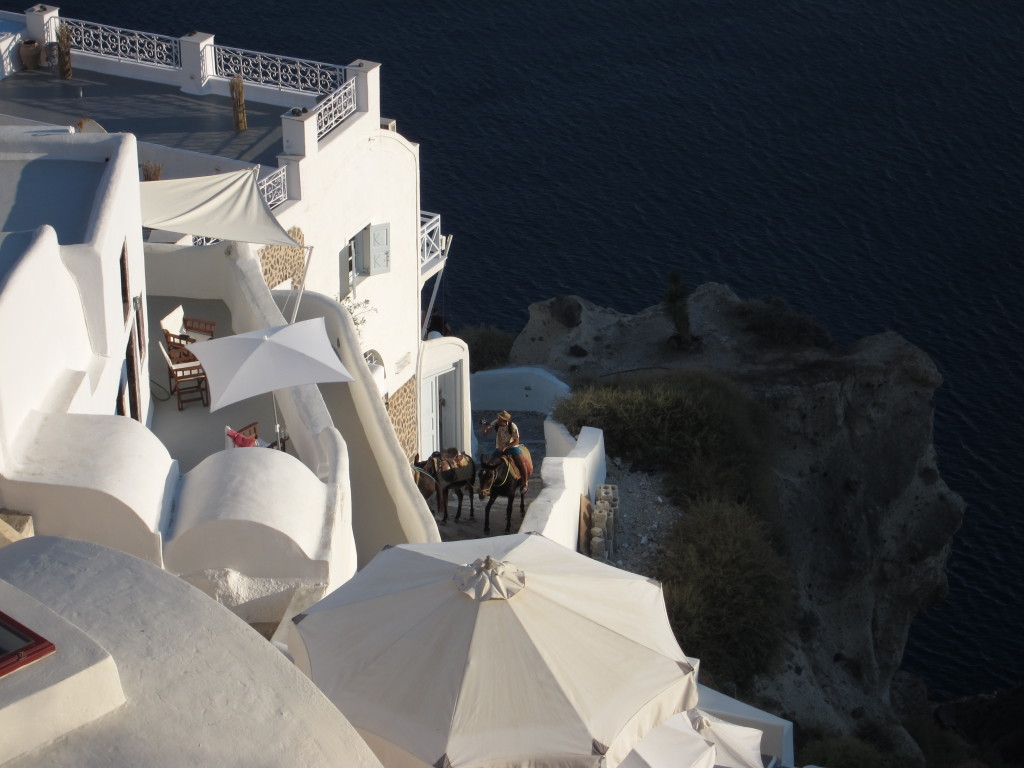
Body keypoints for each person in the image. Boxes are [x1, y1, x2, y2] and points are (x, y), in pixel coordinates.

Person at [481, 410, 529, 492]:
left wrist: (506, 446)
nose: (498, 420)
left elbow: (516, 441)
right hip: (499, 448)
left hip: (512, 447)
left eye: (500, 419)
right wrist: (484, 425)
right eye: (498, 418)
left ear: (505, 420)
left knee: (521, 463)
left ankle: (525, 483)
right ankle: (489, 485)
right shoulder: (495, 423)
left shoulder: (512, 426)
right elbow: (485, 433)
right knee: (490, 464)